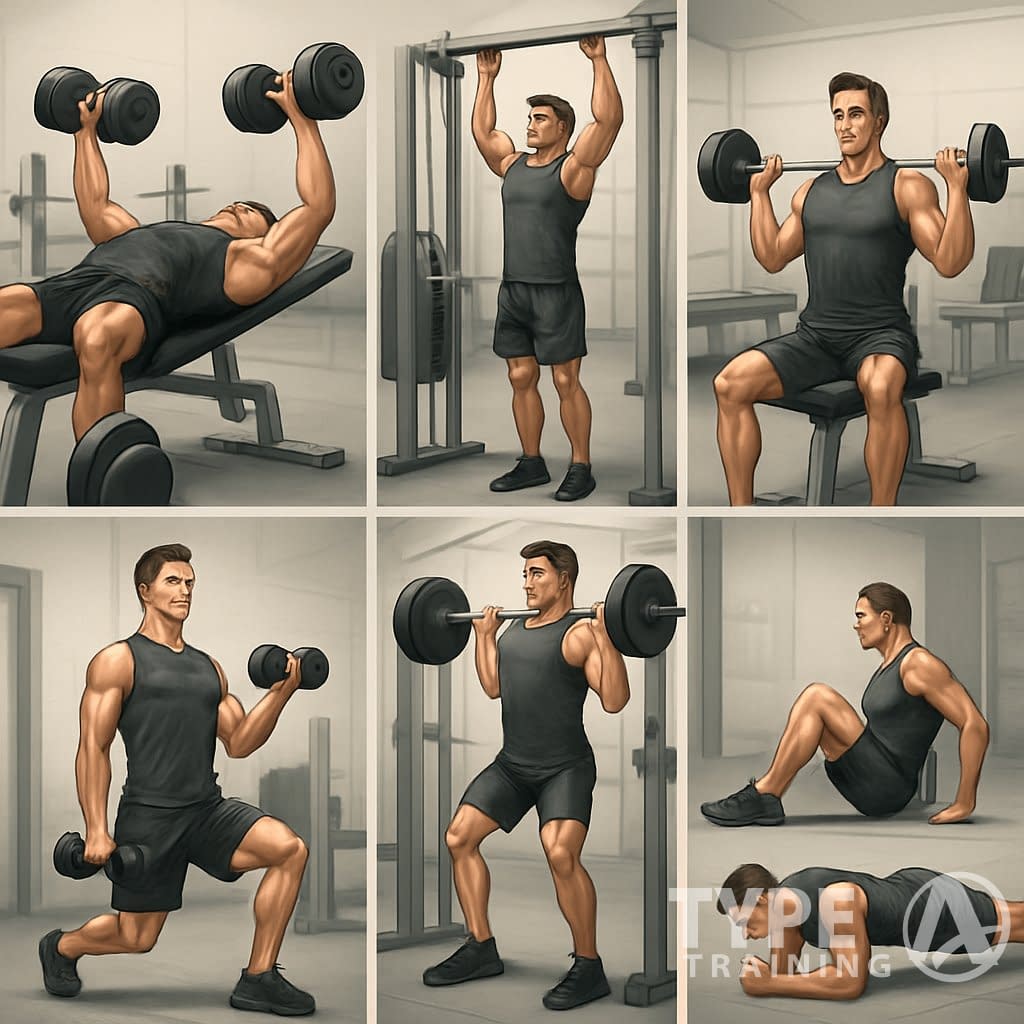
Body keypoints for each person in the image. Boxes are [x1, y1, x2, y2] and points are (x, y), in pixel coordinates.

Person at [37, 543, 316, 1016]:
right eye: (173, 581)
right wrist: (98, 829)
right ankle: (62, 947)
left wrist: (282, 692)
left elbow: (241, 741)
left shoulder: (209, 667)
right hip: (149, 817)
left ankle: (259, 977)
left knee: (289, 848)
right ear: (144, 591)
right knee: (135, 938)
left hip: (206, 809)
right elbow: (93, 747)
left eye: (189, 583)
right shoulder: (117, 660)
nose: (184, 590)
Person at [0, 70, 335, 442]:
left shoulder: (242, 261)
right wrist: (85, 133)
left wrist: (303, 122)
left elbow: (316, 207)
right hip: (72, 286)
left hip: (133, 301)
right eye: (235, 203)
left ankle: (99, 472)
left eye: (250, 212)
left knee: (97, 338)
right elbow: (95, 203)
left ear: (265, 235)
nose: (238, 206)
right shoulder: (144, 232)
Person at [712, 71, 974, 506]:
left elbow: (950, 262)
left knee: (880, 385)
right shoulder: (811, 190)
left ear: (879, 121)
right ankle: (741, 508)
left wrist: (957, 188)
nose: (845, 125)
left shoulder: (906, 185)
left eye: (856, 114)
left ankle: (883, 506)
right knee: (729, 384)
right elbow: (773, 256)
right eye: (838, 115)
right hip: (816, 337)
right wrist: (759, 194)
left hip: (879, 335)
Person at [423, 541, 629, 1010]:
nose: (527, 582)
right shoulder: (514, 628)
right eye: (525, 574)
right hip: (513, 765)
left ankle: (588, 965)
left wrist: (607, 638)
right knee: (459, 838)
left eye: (537, 573)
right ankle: (480, 946)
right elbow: (493, 686)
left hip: (565, 767)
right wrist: (483, 636)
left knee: (560, 854)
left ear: (564, 579)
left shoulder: (578, 634)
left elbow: (615, 700)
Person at [701, 582, 989, 826]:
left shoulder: (919, 664)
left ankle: (765, 795)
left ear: (886, 619)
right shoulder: (890, 664)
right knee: (815, 707)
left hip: (888, 786)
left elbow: (974, 724)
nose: (856, 624)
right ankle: (767, 796)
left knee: (817, 696)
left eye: (861, 615)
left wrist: (965, 801)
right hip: (873, 775)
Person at [472, 37, 623, 502]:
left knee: (564, 379)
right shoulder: (511, 163)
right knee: (520, 377)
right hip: (513, 289)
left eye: (540, 118)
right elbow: (483, 133)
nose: (531, 125)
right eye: (531, 117)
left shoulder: (575, 169)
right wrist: (486, 78)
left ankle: (581, 466)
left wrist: (598, 59)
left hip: (556, 291)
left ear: (562, 128)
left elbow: (609, 120)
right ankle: (532, 461)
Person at [716, 862, 1022, 999]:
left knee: (1016, 922)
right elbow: (784, 972)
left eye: (745, 922)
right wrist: (771, 977)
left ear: (765, 899)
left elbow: (849, 983)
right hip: (907, 893)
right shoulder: (786, 909)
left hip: (934, 909)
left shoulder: (836, 901)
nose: (745, 936)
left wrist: (769, 984)